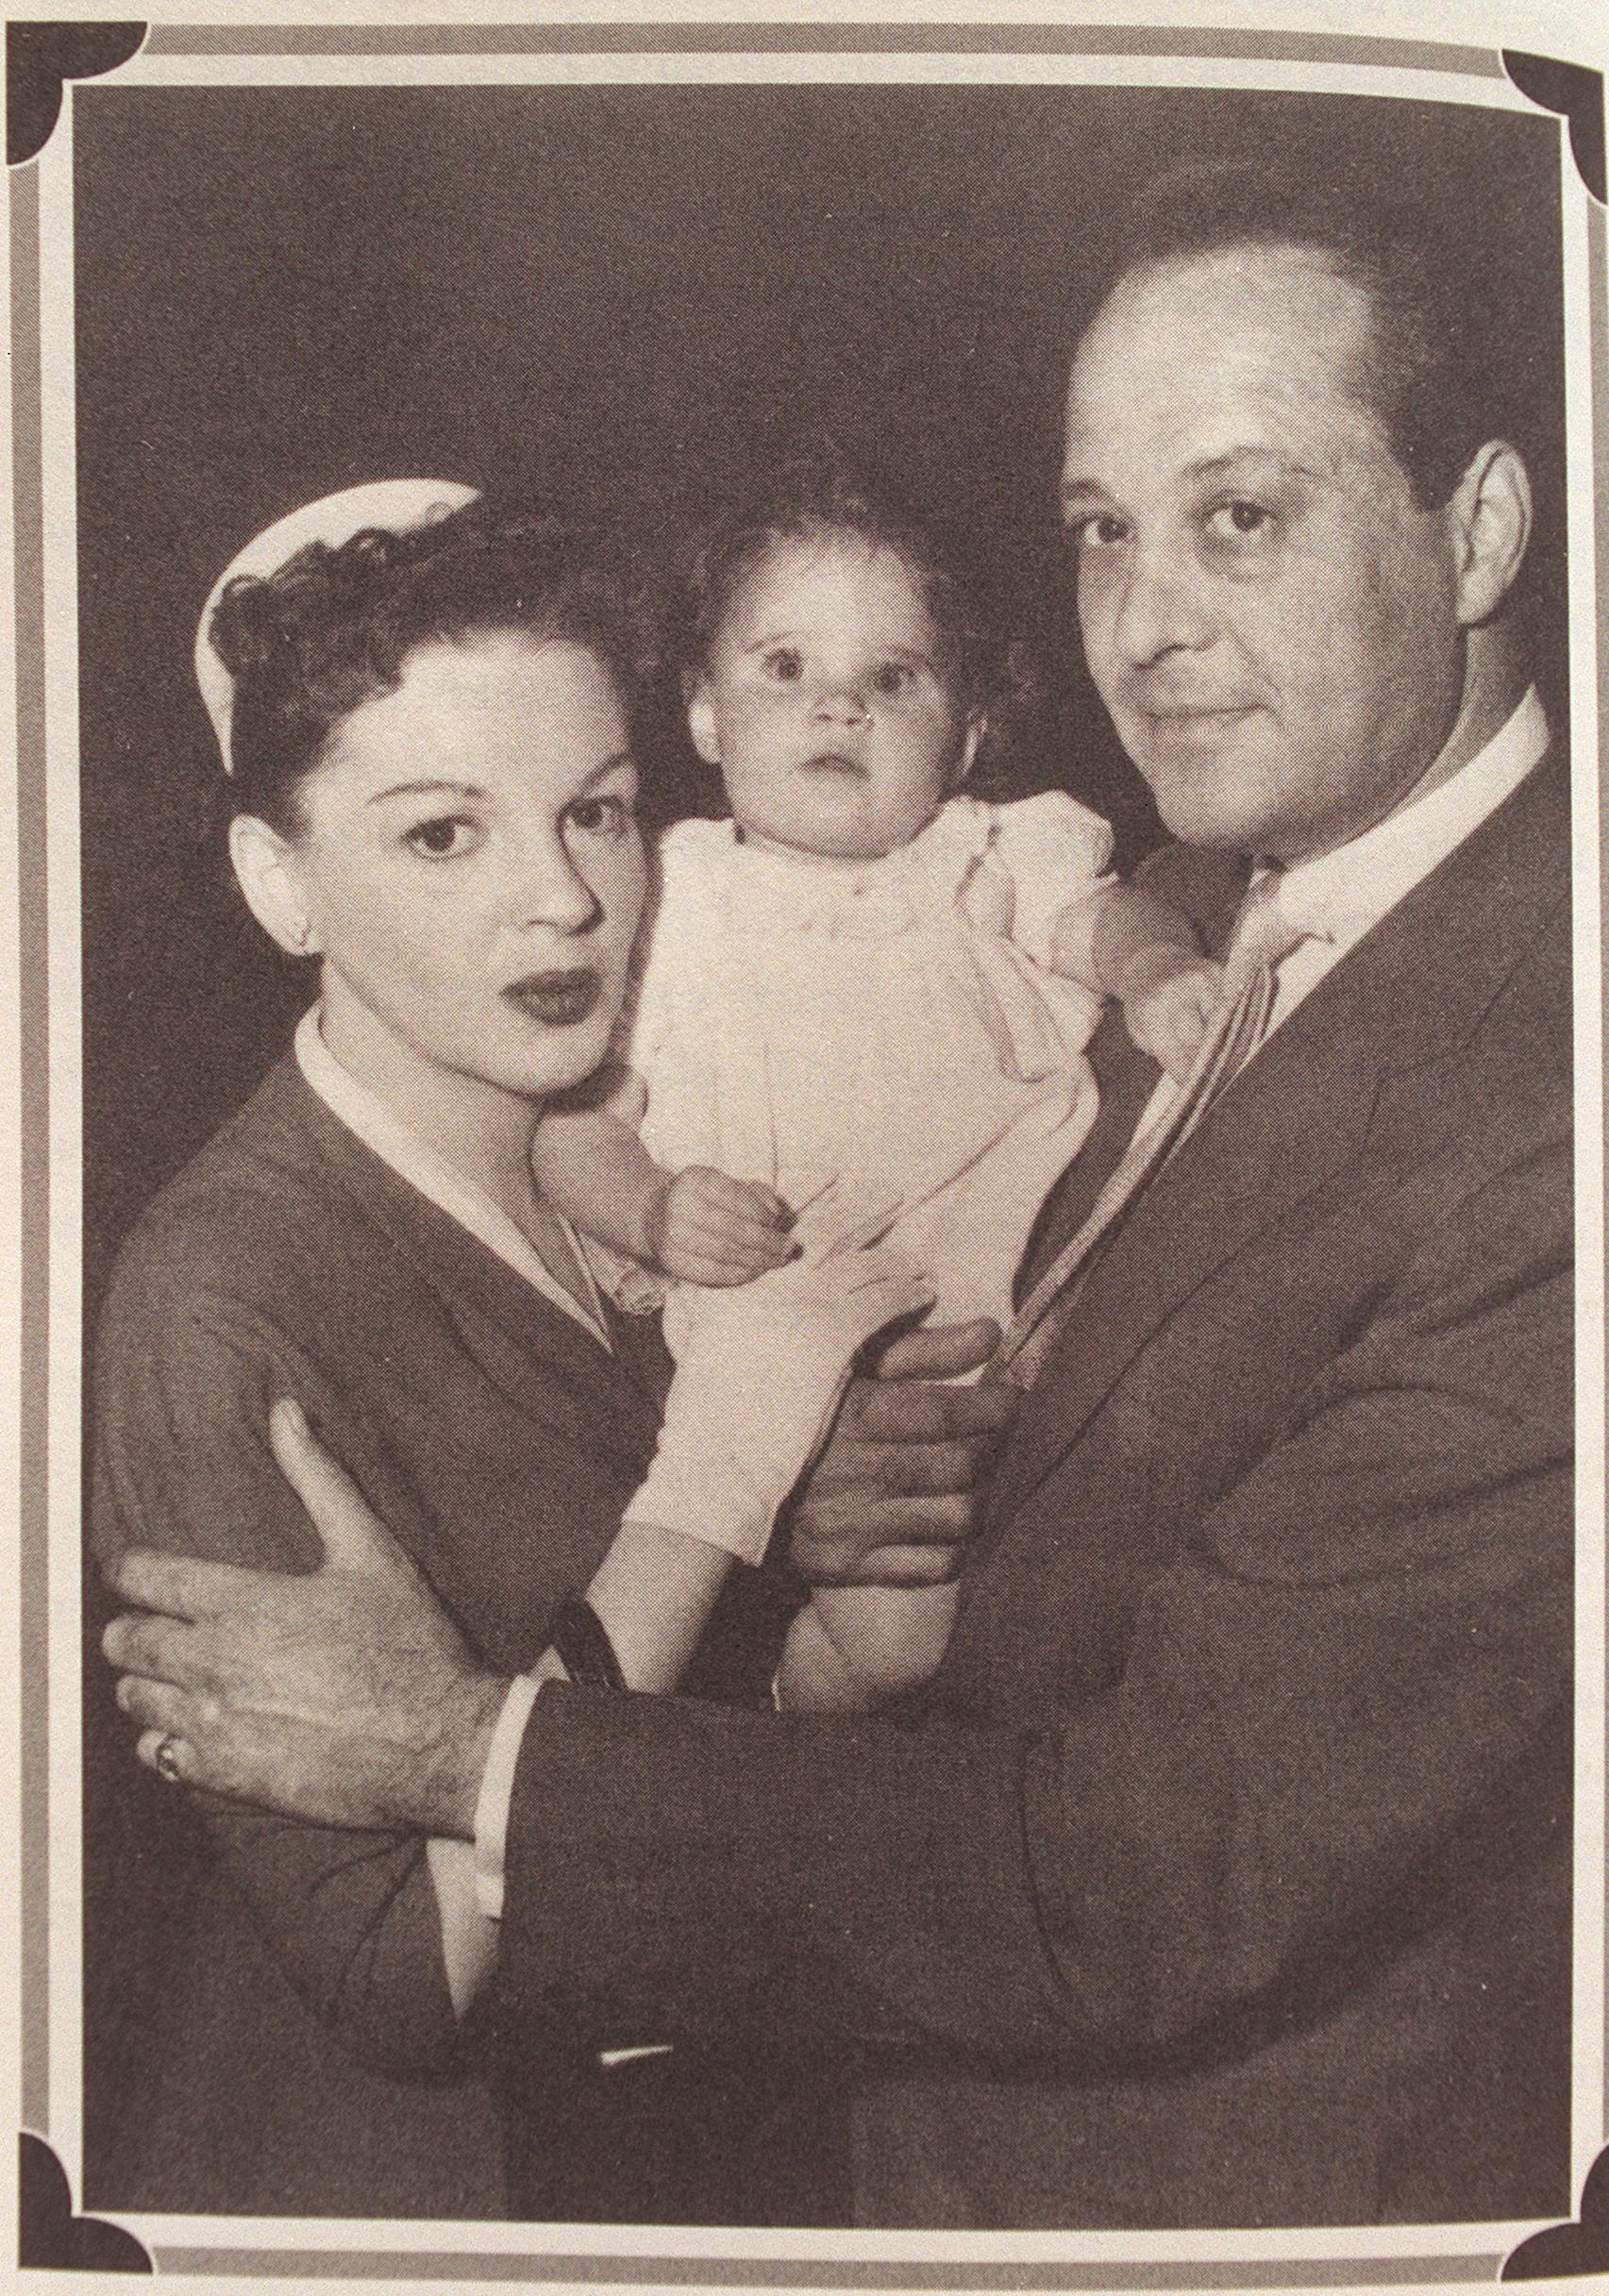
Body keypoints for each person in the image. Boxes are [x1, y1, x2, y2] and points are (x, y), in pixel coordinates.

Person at [105, 162, 1575, 2229]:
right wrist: (802, 1490)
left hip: (1189, 2202)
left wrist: (476, 1741)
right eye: (1099, 529)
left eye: (1238, 512)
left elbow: (1160, 1869)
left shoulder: (1542, 1097)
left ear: (1484, 525)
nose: (1146, 621)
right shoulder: (1181, 892)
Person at [87, 480, 960, 2221]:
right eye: (439, 834)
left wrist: (839, 1648)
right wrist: (720, 1473)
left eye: (601, 813)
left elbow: (682, 1723)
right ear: (280, 882)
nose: (564, 900)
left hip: (723, 2130)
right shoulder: (217, 1301)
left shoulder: (654, 1148)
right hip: (438, 2202)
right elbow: (406, 1975)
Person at [533, 459, 1220, 1709]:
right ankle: (769, 1696)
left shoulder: (984, 853)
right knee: (904, 1641)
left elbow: (1097, 920)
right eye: (784, 668)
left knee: (1073, 1588)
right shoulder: (669, 898)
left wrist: (1157, 969)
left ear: (962, 735)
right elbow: (569, 1126)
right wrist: (649, 1206)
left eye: (889, 679)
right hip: (784, 1307)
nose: (837, 708)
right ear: (701, 715)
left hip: (1005, 1276)